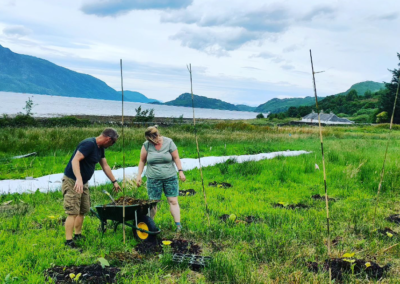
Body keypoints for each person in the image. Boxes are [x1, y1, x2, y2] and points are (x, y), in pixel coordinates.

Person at [62, 128, 121, 248]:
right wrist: (78, 179)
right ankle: (68, 241)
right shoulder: (89, 144)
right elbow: (75, 160)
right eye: (112, 142)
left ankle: (78, 235)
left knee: (83, 210)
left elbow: (105, 165)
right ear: (108, 139)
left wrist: (114, 181)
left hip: (83, 182)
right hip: (73, 180)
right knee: (72, 211)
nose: (112, 145)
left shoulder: (100, 148)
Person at [136, 126, 186, 232]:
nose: (153, 142)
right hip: (153, 179)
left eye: (154, 139)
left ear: (157, 135)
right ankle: (149, 225)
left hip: (170, 177)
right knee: (153, 203)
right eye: (150, 140)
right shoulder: (146, 145)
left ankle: (178, 226)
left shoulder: (169, 142)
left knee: (173, 200)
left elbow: (176, 158)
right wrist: (139, 175)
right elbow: (142, 161)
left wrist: (180, 171)